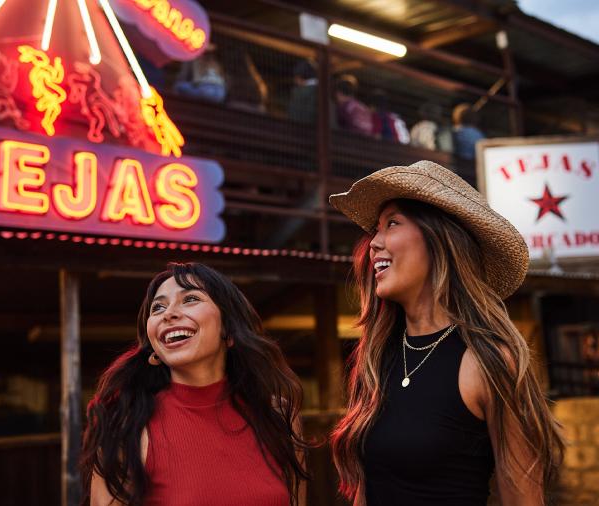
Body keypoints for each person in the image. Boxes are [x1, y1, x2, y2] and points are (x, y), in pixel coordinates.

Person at [329, 160, 563, 506]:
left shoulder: (487, 361)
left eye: (391, 223)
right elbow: (366, 492)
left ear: (439, 239)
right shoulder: (376, 360)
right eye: (375, 230)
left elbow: (523, 498)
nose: (373, 243)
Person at [81, 262, 308, 506]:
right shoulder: (124, 425)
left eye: (190, 299)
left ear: (229, 331)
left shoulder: (278, 415)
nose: (168, 313)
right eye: (158, 307)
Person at [287, 59, 318, 124]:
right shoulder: (324, 90)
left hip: (300, 130)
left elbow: (293, 115)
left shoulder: (298, 92)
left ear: (299, 77)